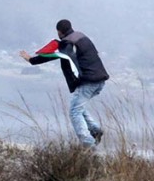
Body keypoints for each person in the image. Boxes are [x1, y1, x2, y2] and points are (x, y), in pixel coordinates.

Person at [19, 19, 110, 147]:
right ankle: (95, 130)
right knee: (78, 106)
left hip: (89, 82)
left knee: (74, 111)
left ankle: (88, 144)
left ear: (59, 32)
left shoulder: (68, 43)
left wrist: (31, 60)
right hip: (100, 80)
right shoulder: (81, 36)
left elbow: (53, 55)